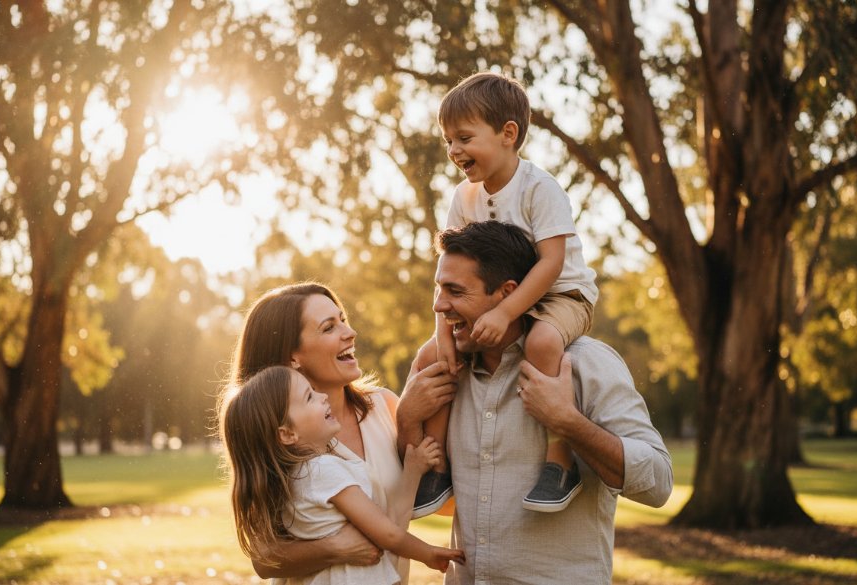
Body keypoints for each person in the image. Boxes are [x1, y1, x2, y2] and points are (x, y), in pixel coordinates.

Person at [398, 221, 673, 584]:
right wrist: (406, 418)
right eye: (439, 289)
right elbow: (411, 493)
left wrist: (567, 424)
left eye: (455, 291)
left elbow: (658, 484)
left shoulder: (586, 364)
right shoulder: (445, 374)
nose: (439, 304)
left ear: (507, 294)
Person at [412, 71, 600, 515]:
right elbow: (451, 269)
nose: (454, 151)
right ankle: (437, 468)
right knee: (433, 358)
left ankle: (560, 461)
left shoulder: (540, 188)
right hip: (498, 301)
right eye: (447, 141)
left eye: (463, 137)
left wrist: (505, 313)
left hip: (562, 295)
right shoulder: (465, 197)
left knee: (542, 341)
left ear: (507, 134)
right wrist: (443, 331)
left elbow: (551, 263)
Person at [226, 283, 417, 582]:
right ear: (293, 357)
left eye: (343, 319)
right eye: (329, 328)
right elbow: (263, 559)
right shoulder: (280, 440)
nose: (349, 332)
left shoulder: (386, 407)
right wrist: (332, 548)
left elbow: (439, 497)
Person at [218, 366, 465, 585]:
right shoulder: (325, 471)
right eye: (309, 397)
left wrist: (412, 470)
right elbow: (387, 532)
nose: (322, 396)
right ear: (287, 434)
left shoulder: (290, 479)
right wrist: (428, 554)